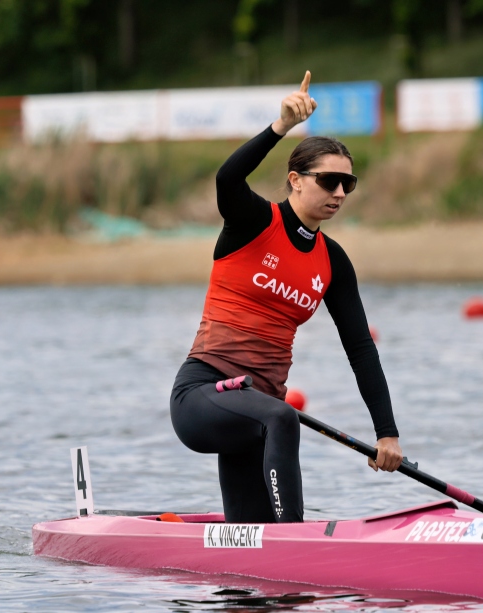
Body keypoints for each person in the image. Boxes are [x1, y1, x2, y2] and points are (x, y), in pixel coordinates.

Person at [170, 71, 402, 524]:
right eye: (329, 181)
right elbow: (227, 179)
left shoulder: (333, 261)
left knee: (252, 539)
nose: (339, 193)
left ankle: (258, 578)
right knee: (283, 418)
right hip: (203, 394)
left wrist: (387, 434)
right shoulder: (253, 223)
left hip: (256, 408)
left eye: (348, 185)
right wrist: (280, 127)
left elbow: (360, 349)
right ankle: (295, 540)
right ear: (295, 180)